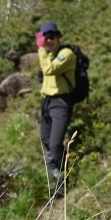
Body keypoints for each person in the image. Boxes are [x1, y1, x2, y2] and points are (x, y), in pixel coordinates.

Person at [36, 22, 76, 197]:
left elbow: (49, 70)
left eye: (52, 37)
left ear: (58, 37)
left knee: (55, 143)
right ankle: (57, 176)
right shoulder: (48, 56)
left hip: (61, 102)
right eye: (46, 38)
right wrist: (42, 106)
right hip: (46, 103)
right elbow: (45, 82)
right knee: (46, 140)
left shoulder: (66, 54)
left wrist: (40, 49)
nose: (49, 40)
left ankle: (65, 179)